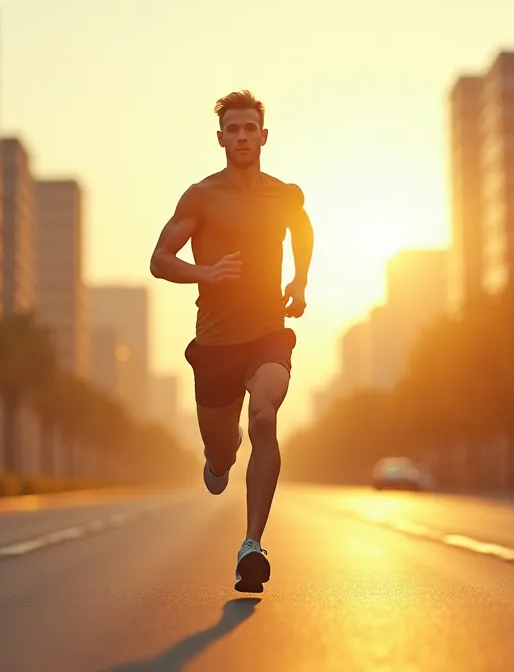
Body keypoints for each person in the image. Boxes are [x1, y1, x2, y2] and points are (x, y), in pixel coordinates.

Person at [149, 90, 314, 593]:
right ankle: (220, 455)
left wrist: (299, 281)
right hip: (216, 343)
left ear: (263, 137)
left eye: (249, 129)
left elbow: (303, 230)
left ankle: (252, 545)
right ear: (221, 139)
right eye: (233, 130)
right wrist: (208, 272)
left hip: (268, 335)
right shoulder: (200, 196)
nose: (242, 137)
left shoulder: (284, 194)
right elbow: (159, 259)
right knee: (222, 453)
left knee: (264, 417)